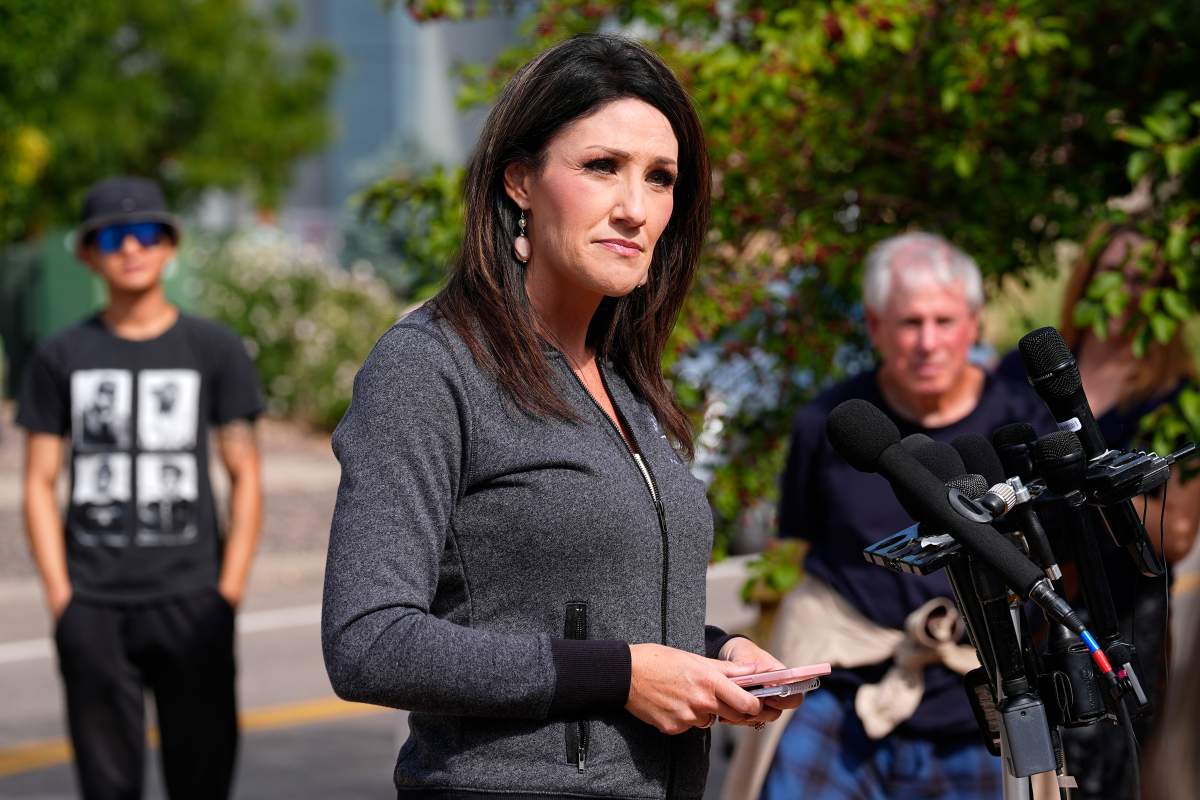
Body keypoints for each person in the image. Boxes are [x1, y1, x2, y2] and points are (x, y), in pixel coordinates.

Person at [321, 34, 801, 799]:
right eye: (601, 166)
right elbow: (369, 640)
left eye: (661, 178)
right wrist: (622, 675)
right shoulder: (431, 365)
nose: (635, 208)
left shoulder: (629, 381)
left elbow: (586, 610)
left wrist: (714, 656)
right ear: (520, 181)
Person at [729, 232, 1054, 799]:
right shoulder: (832, 423)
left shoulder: (1021, 423)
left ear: (974, 324)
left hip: (985, 702)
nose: (928, 342)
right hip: (844, 693)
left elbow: (1057, 558)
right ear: (875, 326)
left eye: (944, 321)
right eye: (909, 323)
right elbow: (793, 549)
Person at [18, 176, 264, 799]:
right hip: (94, 605)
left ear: (170, 245)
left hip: (193, 600)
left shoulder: (214, 348)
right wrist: (62, 599)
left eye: (146, 233)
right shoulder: (60, 354)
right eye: (112, 237)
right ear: (88, 254)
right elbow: (39, 482)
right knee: (107, 788)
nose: (131, 247)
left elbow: (245, 474)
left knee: (202, 781)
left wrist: (227, 594)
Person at [997, 223, 1200, 798]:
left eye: (1143, 280)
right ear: (1086, 282)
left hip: (1123, 619)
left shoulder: (1177, 398)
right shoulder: (1020, 377)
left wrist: (1091, 478)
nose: (1126, 292)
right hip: (1032, 609)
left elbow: (1177, 535)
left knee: (1113, 778)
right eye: (1112, 274)